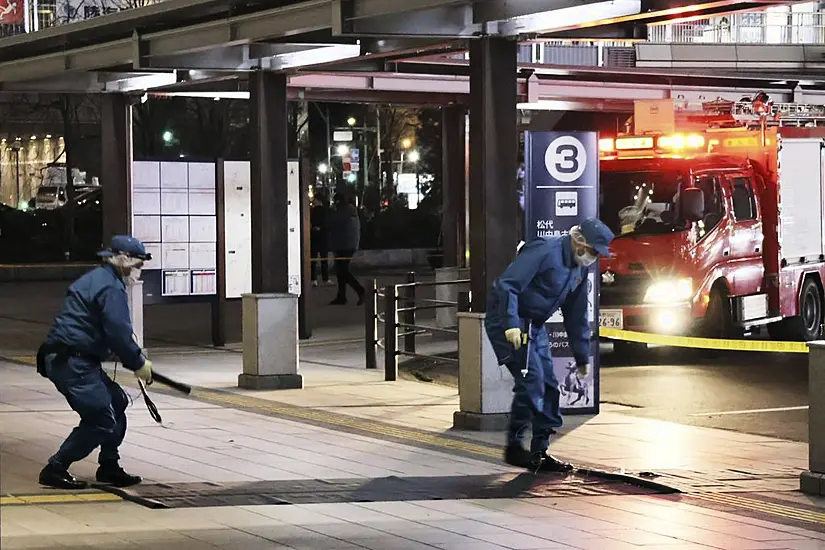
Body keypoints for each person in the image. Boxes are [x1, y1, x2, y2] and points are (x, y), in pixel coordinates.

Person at [484, 218, 614, 472]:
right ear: (579, 242)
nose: (594, 258)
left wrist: (582, 356)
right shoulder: (545, 250)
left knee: (550, 387)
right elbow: (507, 285)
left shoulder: (579, 267)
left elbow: (576, 315)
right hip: (509, 320)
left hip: (535, 325)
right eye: (593, 251)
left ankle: (540, 452)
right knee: (531, 381)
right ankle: (515, 446)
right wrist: (511, 324)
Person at [36, 235, 153, 490]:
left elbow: (95, 327)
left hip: (73, 358)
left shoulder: (96, 279)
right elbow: (119, 332)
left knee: (117, 402)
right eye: (138, 265)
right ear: (124, 260)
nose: (138, 271)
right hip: (73, 363)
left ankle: (109, 465)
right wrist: (137, 362)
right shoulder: (110, 287)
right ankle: (55, 467)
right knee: (100, 418)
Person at [329, 192, 365, 305]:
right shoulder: (349, 210)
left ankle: (361, 291)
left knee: (343, 271)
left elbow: (334, 223)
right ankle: (341, 296)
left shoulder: (343, 212)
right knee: (340, 271)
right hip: (347, 245)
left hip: (344, 245)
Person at [310, 191, 331, 286]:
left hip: (315, 236)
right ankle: (325, 278)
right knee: (324, 259)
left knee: (313, 259)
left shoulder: (312, 211)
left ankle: (313, 279)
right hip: (323, 237)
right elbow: (327, 223)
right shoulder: (326, 211)